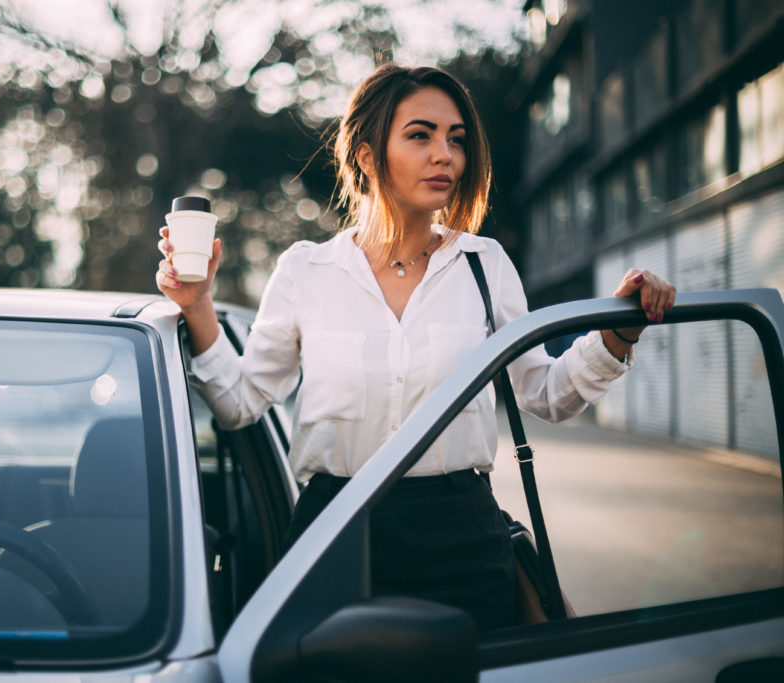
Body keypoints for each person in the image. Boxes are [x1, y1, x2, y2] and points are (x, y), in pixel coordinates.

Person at [155, 64, 675, 631]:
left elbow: (546, 395)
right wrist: (197, 303)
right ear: (367, 156)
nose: (445, 155)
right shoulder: (307, 270)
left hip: (462, 537)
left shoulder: (484, 265)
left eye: (456, 139)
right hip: (333, 534)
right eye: (420, 135)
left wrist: (618, 331)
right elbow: (239, 402)